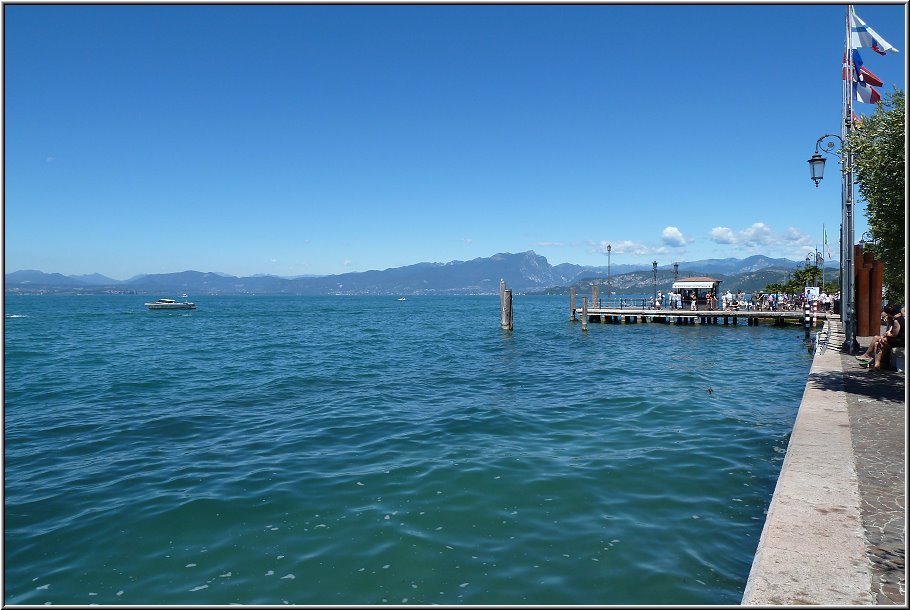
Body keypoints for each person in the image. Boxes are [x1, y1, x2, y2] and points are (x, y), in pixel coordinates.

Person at [858, 304, 904, 370]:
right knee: (877, 343)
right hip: (898, 339)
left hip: (900, 341)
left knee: (878, 339)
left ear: (889, 313)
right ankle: (876, 365)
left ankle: (868, 356)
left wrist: (886, 335)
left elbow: (894, 335)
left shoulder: (897, 320)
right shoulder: (898, 319)